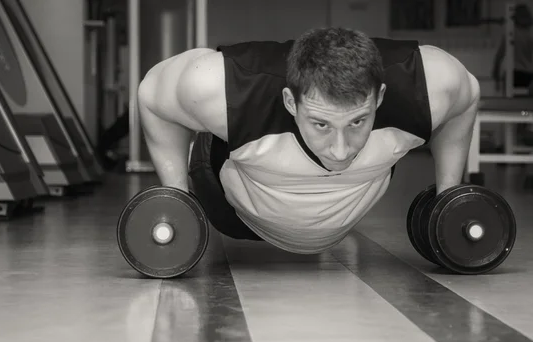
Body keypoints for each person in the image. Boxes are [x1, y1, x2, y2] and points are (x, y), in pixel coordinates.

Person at [136, 27, 480, 254]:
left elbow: (467, 97)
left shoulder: (430, 84)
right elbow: (152, 95)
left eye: (358, 121)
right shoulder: (223, 89)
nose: (341, 150)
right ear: (290, 102)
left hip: (345, 206)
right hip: (233, 210)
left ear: (379, 98)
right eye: (321, 124)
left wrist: (448, 197)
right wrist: (175, 197)